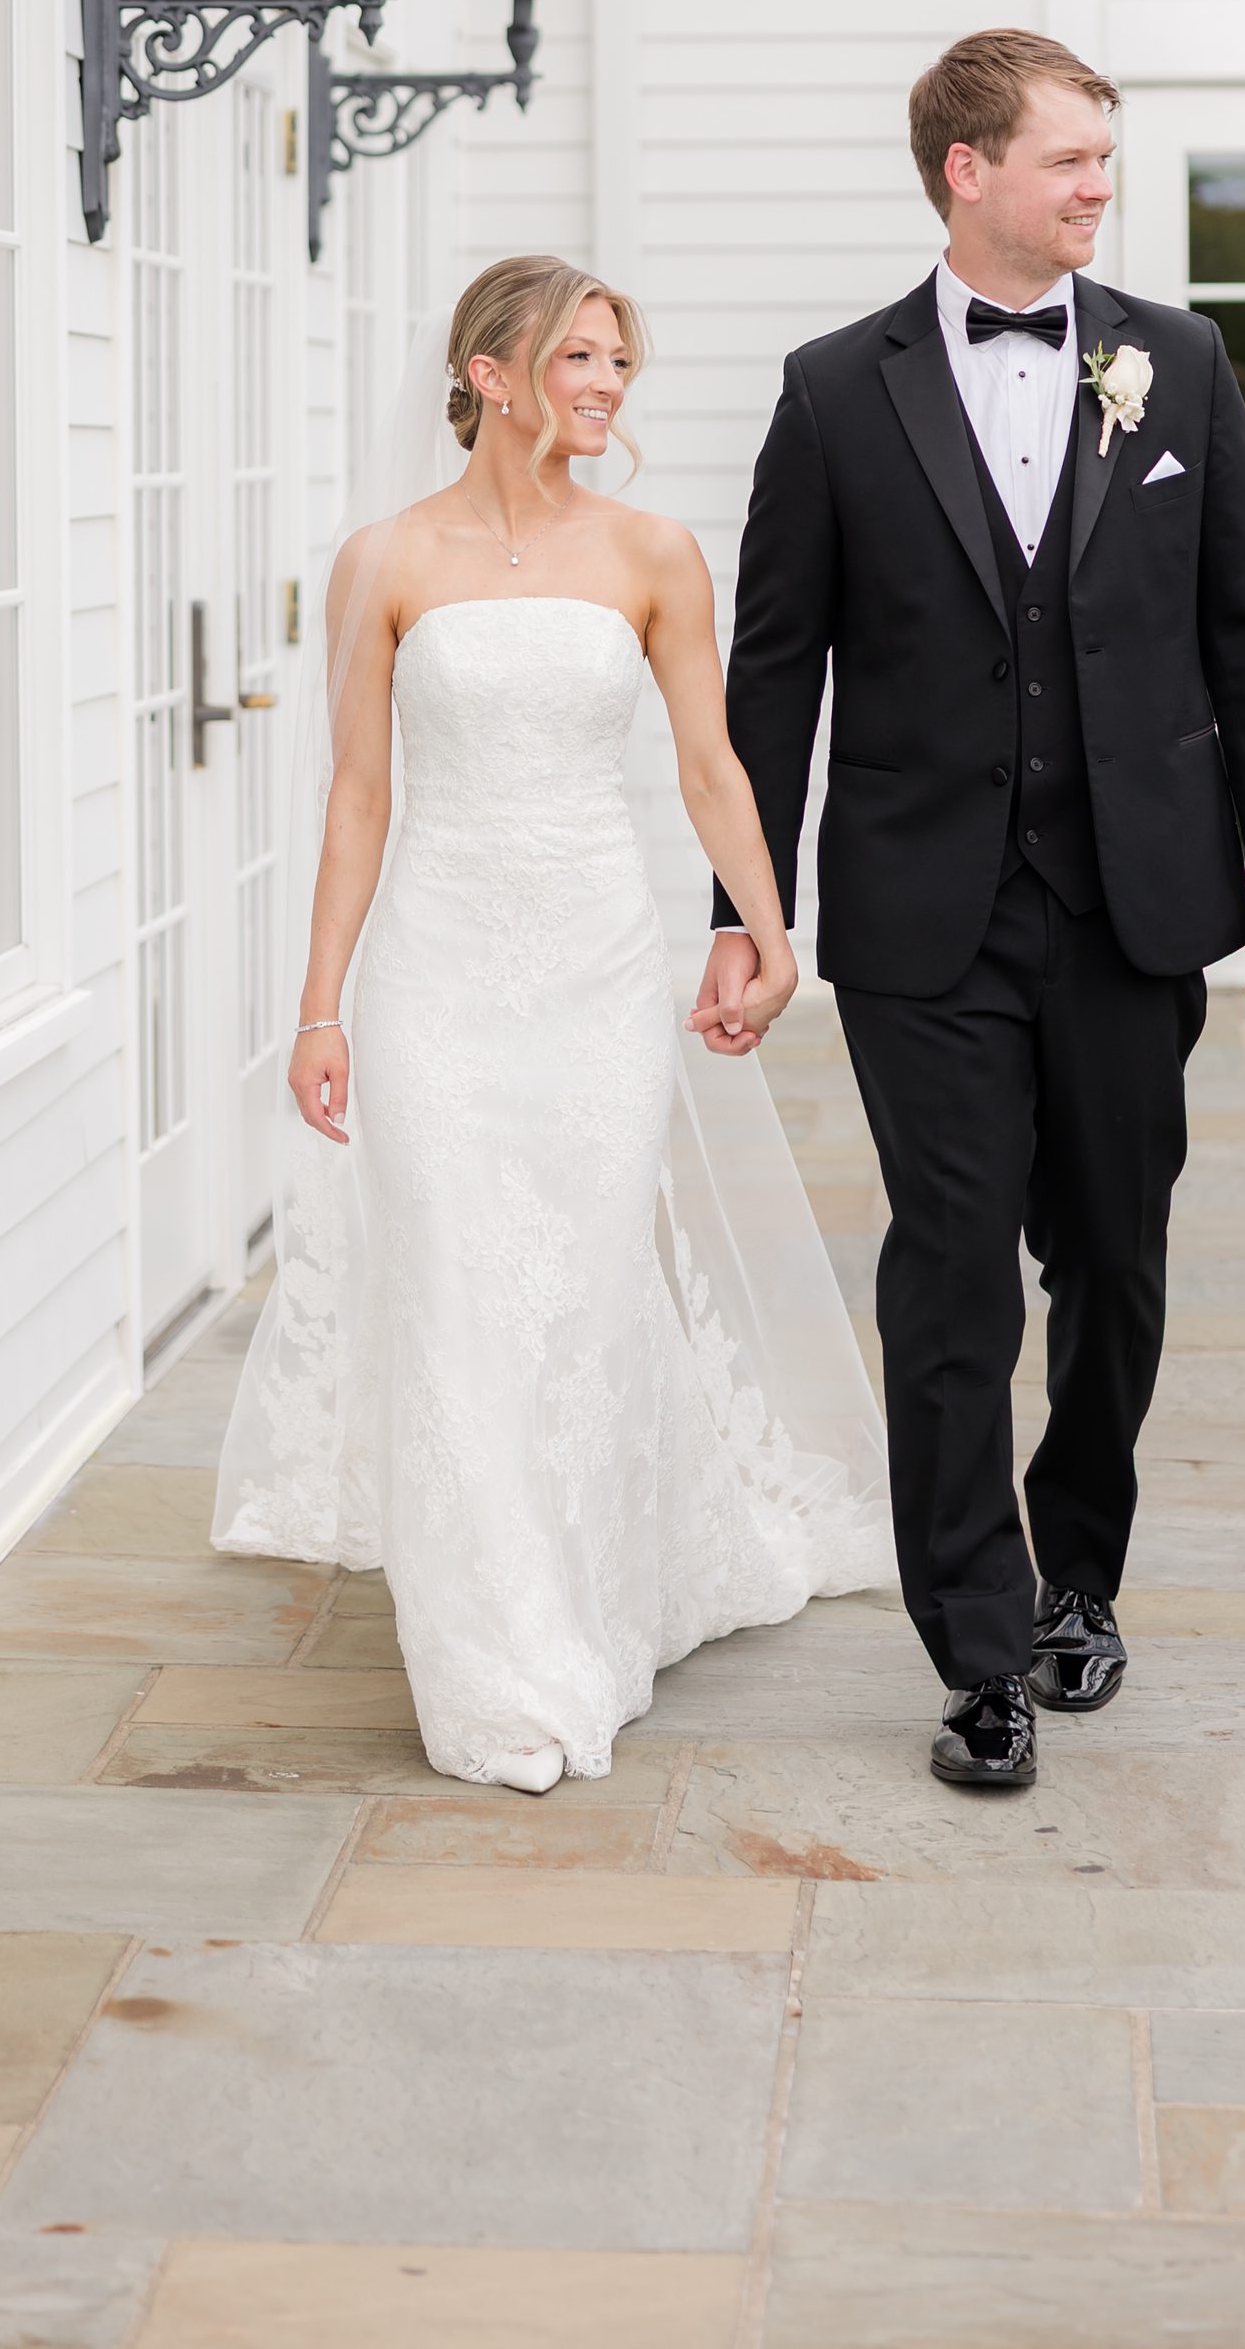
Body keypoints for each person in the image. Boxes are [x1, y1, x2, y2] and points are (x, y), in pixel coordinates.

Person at [696, 30, 1245, 1793]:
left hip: (1134, 898)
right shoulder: (836, 391)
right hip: (924, 918)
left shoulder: (1178, 365)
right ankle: (977, 1646)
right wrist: (744, 912)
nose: (1098, 189)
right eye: (1069, 160)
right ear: (965, 169)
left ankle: (1080, 1577)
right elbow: (773, 680)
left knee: (1115, 1268)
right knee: (955, 1274)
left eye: (1105, 165)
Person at [213, 256, 890, 1793]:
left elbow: (711, 769)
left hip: (594, 973)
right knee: (457, 1295)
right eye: (580, 356)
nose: (605, 385)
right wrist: (318, 1008)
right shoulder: (383, 563)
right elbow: (359, 797)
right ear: (491, 370)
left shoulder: (653, 554)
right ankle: (496, 1658)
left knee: (579, 1291)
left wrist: (770, 936)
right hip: (433, 979)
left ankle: (587, 1601)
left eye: (618, 363)